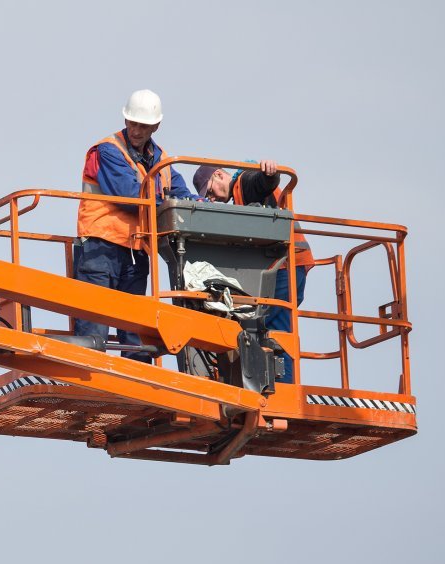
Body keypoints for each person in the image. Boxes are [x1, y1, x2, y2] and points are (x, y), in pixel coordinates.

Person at [74, 89, 198, 362]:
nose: (136, 130)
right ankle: (87, 382)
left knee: (135, 331)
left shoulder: (163, 160)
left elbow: (182, 193)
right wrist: (167, 201)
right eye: (132, 123)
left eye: (143, 125)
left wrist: (198, 204)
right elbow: (130, 197)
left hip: (135, 249)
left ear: (156, 126)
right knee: (94, 326)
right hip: (100, 246)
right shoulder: (109, 150)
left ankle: (136, 384)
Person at [192, 161, 315, 382]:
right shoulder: (240, 190)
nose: (212, 198)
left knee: (272, 327)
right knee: (270, 325)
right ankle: (275, 384)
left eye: (210, 191)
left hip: (286, 263)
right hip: (287, 263)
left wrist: (269, 176)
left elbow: (261, 184)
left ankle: (283, 389)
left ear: (219, 175)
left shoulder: (243, 183)